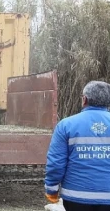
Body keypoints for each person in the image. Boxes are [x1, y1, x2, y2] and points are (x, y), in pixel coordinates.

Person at [45, 81, 110, 211]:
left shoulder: (66, 125)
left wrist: (51, 191)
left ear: (84, 99)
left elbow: (56, 163)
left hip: (75, 198)